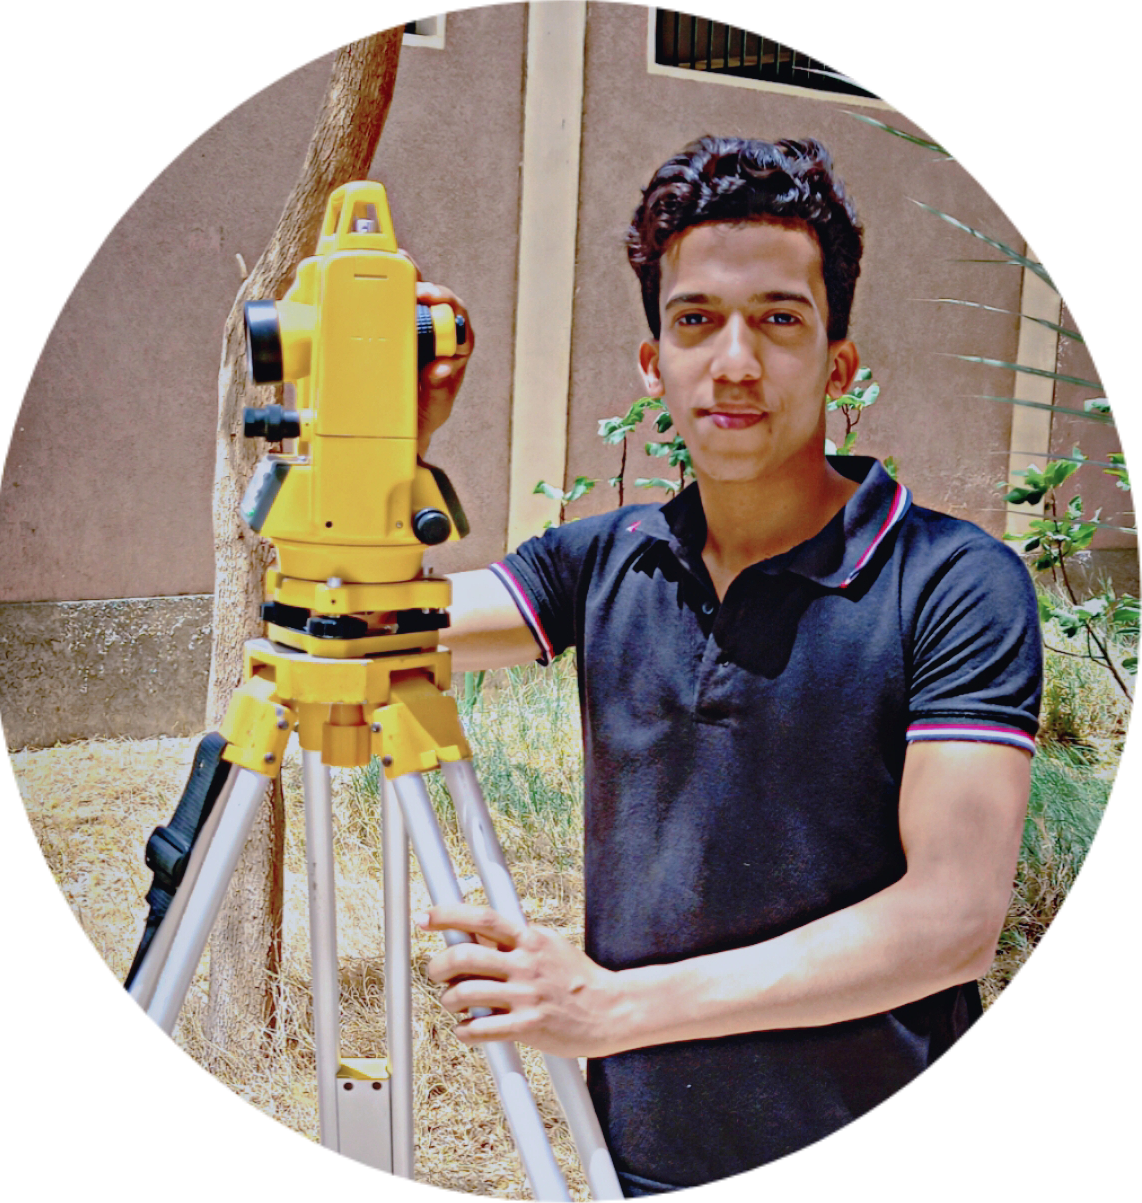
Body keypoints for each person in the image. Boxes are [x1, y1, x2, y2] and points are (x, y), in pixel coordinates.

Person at [406, 136, 1042, 1194]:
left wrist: (612, 1007)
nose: (734, 362)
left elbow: (952, 922)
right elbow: (366, 621)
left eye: (778, 320)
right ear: (653, 362)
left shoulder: (951, 581)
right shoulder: (604, 559)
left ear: (838, 363)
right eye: (695, 319)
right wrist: (391, 446)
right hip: (641, 1162)